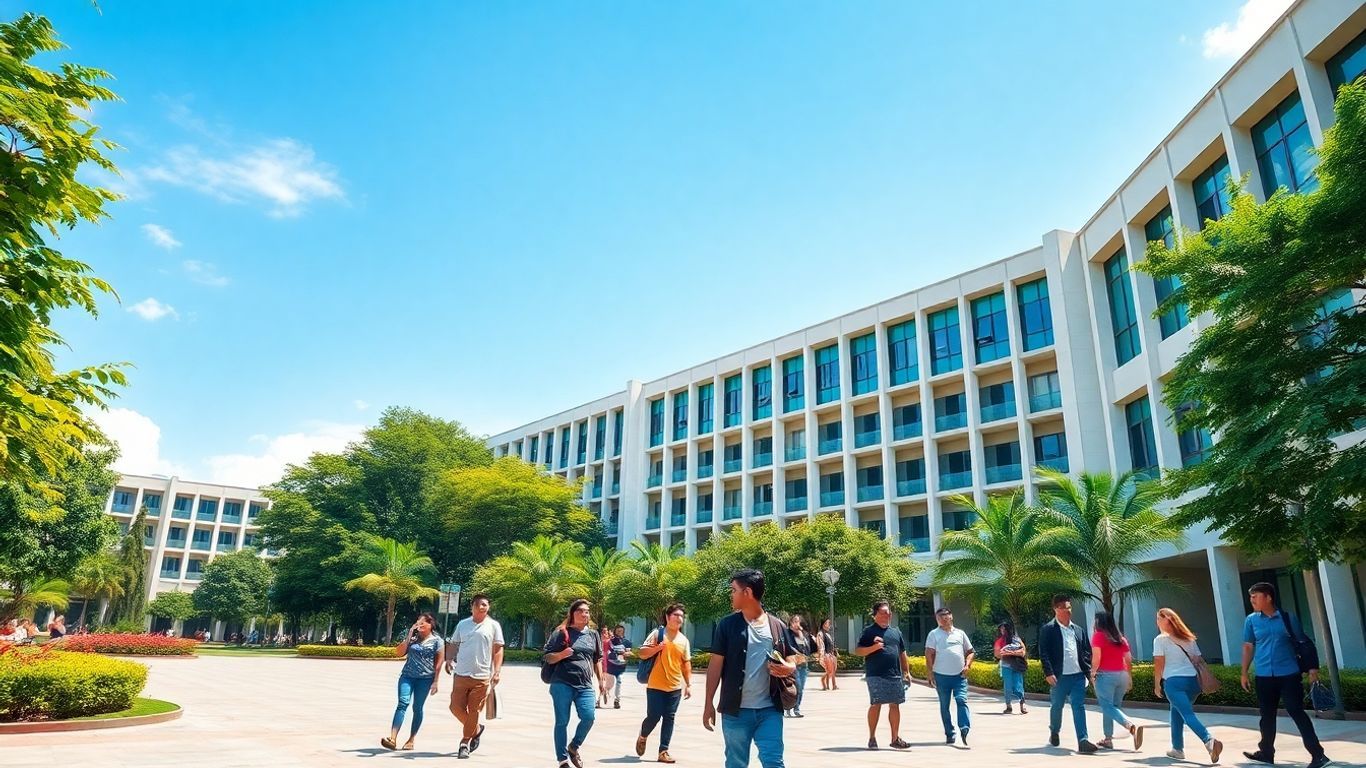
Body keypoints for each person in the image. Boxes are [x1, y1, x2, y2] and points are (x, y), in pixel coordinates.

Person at [701, 568, 798, 768]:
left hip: (770, 709)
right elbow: (715, 666)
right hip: (736, 712)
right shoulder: (726, 625)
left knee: (774, 761)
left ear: (747, 592)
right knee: (736, 763)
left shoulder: (777, 625)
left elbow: (792, 657)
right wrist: (708, 702)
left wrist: (789, 666)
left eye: (733, 590)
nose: (731, 594)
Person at [1240, 582, 1330, 768]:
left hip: (1288, 673)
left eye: (1255, 596)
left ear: (1268, 597)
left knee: (1296, 711)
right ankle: (1266, 753)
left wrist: (1313, 669)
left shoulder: (1288, 618)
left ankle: (1318, 755)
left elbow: (1303, 642)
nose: (1252, 600)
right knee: (1266, 715)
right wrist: (1244, 673)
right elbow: (1248, 646)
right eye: (1251, 597)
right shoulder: (1251, 620)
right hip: (1264, 675)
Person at [1149, 607, 1223, 763]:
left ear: (1166, 620)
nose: (1157, 621)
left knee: (1187, 715)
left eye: (1158, 618)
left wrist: (1157, 684)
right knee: (1176, 712)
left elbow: (1159, 665)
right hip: (1193, 682)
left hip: (1174, 683)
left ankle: (1209, 741)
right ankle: (1177, 749)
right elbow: (1198, 659)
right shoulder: (1188, 638)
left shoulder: (1160, 640)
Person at [543, 599, 608, 768]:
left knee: (589, 717)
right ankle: (562, 760)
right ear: (572, 613)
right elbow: (547, 656)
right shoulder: (561, 632)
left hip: (585, 685)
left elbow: (597, 659)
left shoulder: (593, 635)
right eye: (580, 610)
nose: (584, 614)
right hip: (562, 683)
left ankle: (574, 746)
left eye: (587, 611)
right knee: (562, 721)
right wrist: (561, 655)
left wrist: (601, 680)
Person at [444, 592, 504, 759]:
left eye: (484, 604)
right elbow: (454, 643)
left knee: (474, 710)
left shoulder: (493, 626)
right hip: (461, 674)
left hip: (482, 676)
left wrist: (497, 671)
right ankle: (476, 729)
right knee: (455, 708)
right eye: (478, 604)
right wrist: (448, 659)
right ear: (472, 607)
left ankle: (464, 743)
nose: (481, 607)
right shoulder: (463, 624)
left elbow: (498, 649)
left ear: (488, 607)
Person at [1038, 594, 1097, 754]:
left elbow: (1086, 651)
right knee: (1057, 706)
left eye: (1069, 607)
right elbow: (1044, 653)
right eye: (1064, 607)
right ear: (1056, 609)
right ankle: (1054, 731)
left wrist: (1088, 673)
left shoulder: (1078, 630)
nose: (1068, 611)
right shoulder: (1048, 630)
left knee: (1079, 706)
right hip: (1059, 677)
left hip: (1078, 676)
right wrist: (1049, 672)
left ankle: (1083, 741)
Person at [635, 603, 692, 764]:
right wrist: (657, 648)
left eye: (681, 616)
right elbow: (642, 653)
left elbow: (686, 663)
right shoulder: (657, 634)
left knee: (669, 718)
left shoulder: (684, 641)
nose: (679, 618)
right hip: (655, 685)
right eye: (676, 615)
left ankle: (663, 751)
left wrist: (688, 684)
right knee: (653, 717)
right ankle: (643, 735)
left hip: (675, 687)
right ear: (667, 617)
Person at [381, 613, 444, 751]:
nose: (419, 625)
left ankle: (411, 739)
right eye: (418, 622)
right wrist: (409, 635)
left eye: (423, 623)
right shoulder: (413, 639)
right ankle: (392, 738)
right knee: (402, 703)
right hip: (407, 676)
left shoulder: (437, 641)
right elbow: (399, 652)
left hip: (425, 679)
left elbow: (439, 663)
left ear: (430, 625)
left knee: (417, 708)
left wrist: (436, 682)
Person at [853, 600, 910, 750]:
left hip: (894, 674)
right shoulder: (869, 631)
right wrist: (874, 647)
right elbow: (858, 651)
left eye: (889, 612)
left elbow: (902, 653)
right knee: (876, 704)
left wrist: (906, 671)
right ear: (875, 615)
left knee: (895, 704)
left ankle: (895, 738)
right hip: (875, 674)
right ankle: (872, 737)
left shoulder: (896, 632)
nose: (887, 615)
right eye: (884, 612)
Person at [1090, 610, 1139, 750]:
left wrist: (1093, 673)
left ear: (1098, 622)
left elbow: (1096, 657)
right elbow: (1128, 659)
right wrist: (1128, 676)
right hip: (1121, 675)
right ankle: (1107, 739)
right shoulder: (1120, 638)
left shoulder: (1098, 636)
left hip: (1106, 676)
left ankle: (1130, 725)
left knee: (1107, 706)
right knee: (1112, 707)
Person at [926, 607, 974, 746]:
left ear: (951, 616)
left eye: (945, 616)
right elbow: (929, 653)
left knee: (961, 700)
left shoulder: (960, 633)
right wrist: (930, 672)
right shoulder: (933, 634)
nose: (943, 619)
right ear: (937, 619)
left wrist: (967, 665)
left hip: (959, 676)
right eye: (939, 617)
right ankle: (950, 733)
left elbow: (970, 651)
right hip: (941, 676)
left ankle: (964, 727)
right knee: (944, 706)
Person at [993, 621, 1028, 714]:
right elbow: (997, 654)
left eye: (1004, 628)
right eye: (1001, 628)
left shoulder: (1017, 639)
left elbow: (1023, 652)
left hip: (1017, 665)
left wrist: (1009, 652)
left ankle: (1022, 703)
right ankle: (1008, 706)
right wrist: (1005, 653)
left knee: (1018, 685)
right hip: (1006, 666)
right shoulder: (1000, 641)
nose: (1002, 630)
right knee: (1007, 687)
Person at [786, 615, 812, 718]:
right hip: (793, 664)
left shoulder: (803, 634)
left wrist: (801, 635)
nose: (797, 623)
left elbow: (807, 648)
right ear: (791, 622)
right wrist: (796, 653)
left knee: (801, 689)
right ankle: (789, 708)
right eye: (795, 621)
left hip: (803, 664)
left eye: (798, 621)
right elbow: (788, 646)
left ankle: (796, 708)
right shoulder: (787, 633)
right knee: (796, 687)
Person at [607, 625, 632, 709]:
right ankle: (600, 698)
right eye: (618, 631)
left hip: (620, 666)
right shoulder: (610, 641)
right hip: (610, 665)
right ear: (615, 632)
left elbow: (629, 653)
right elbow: (606, 652)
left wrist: (625, 654)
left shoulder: (627, 642)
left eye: (621, 631)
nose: (619, 633)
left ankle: (617, 700)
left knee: (619, 681)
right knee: (608, 684)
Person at [816, 618, 839, 691]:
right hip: (826, 654)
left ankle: (833, 685)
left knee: (833, 670)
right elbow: (821, 645)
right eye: (827, 623)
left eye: (829, 623)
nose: (829, 625)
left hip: (831, 654)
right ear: (823, 625)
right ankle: (823, 680)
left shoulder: (828, 634)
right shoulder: (820, 634)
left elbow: (831, 645)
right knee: (830, 670)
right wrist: (822, 655)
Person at [598, 627, 614, 708]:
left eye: (606, 632)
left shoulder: (605, 641)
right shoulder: (601, 641)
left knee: (605, 682)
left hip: (605, 661)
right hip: (602, 661)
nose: (604, 634)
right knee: (602, 682)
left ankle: (604, 693)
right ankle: (600, 698)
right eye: (603, 632)